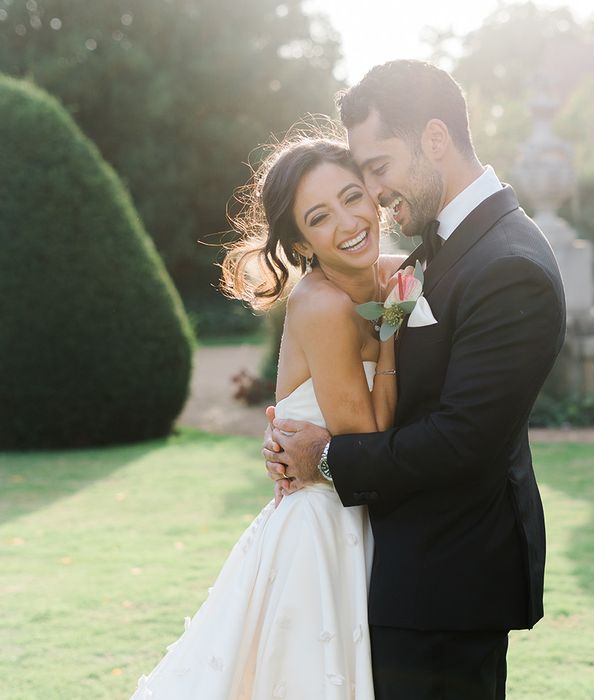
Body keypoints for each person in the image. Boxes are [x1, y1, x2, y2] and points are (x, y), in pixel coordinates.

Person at [263, 60, 567, 700]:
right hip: (401, 568)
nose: (372, 196)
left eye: (376, 170)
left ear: (434, 140)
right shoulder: (441, 247)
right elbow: (385, 353)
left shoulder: (508, 264)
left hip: (449, 583)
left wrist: (324, 457)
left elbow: (462, 440)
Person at [130, 135, 406, 699]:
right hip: (322, 529)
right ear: (301, 241)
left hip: (369, 522)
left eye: (353, 197)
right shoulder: (322, 304)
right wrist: (394, 336)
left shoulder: (399, 273)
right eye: (319, 216)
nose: (348, 221)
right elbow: (367, 441)